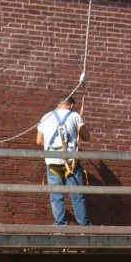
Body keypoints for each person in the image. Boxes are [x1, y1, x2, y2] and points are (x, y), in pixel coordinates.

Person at [36, 95, 90, 226]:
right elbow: (87, 137)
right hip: (71, 162)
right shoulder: (75, 116)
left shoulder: (46, 117)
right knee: (77, 195)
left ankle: (60, 225)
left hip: (52, 162)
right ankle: (84, 225)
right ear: (71, 105)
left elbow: (38, 141)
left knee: (56, 196)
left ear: (59, 104)